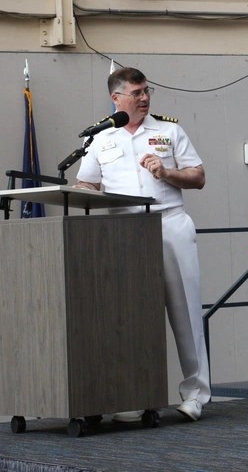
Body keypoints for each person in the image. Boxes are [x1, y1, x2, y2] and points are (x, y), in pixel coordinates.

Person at [75, 67, 210, 422]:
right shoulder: (101, 139)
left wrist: (166, 172)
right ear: (116, 98)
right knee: (127, 315)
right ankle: (131, 395)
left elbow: (198, 177)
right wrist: (79, 193)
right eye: (136, 93)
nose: (145, 98)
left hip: (169, 223)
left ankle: (195, 394)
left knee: (185, 311)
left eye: (147, 91)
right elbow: (87, 184)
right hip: (123, 231)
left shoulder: (169, 130)